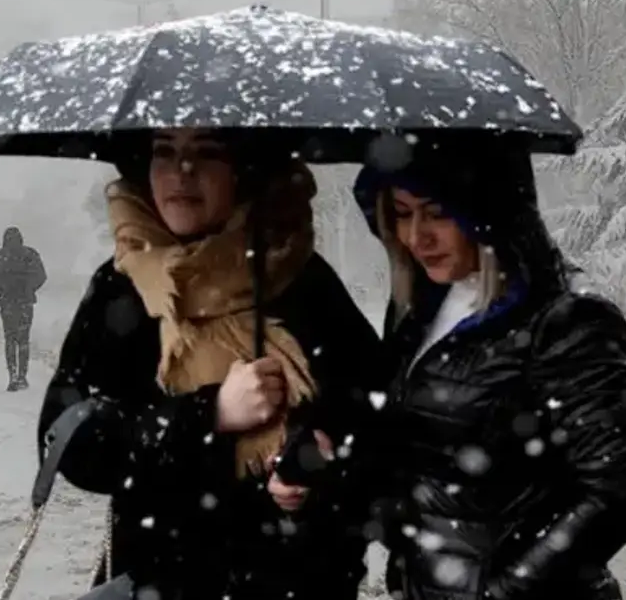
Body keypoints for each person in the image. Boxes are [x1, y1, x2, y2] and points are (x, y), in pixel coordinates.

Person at [36, 128, 384, 600]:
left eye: (207, 152)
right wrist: (210, 413)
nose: (182, 172)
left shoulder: (300, 279)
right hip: (160, 581)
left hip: (294, 582)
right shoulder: (124, 288)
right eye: (164, 152)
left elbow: (372, 415)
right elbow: (70, 442)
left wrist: (312, 456)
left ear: (244, 169)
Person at [354, 142, 626, 600]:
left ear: (488, 209)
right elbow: (414, 449)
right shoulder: (418, 310)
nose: (415, 236)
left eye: (436, 212)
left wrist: (504, 591)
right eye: (402, 213)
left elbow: (610, 498)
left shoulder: (566, 319)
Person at [0, 226, 46, 392]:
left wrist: (2, 291)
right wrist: (29, 289)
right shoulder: (30, 255)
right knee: (24, 339)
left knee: (10, 339)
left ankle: (12, 374)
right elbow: (41, 276)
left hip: (7, 303)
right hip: (25, 302)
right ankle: (22, 375)